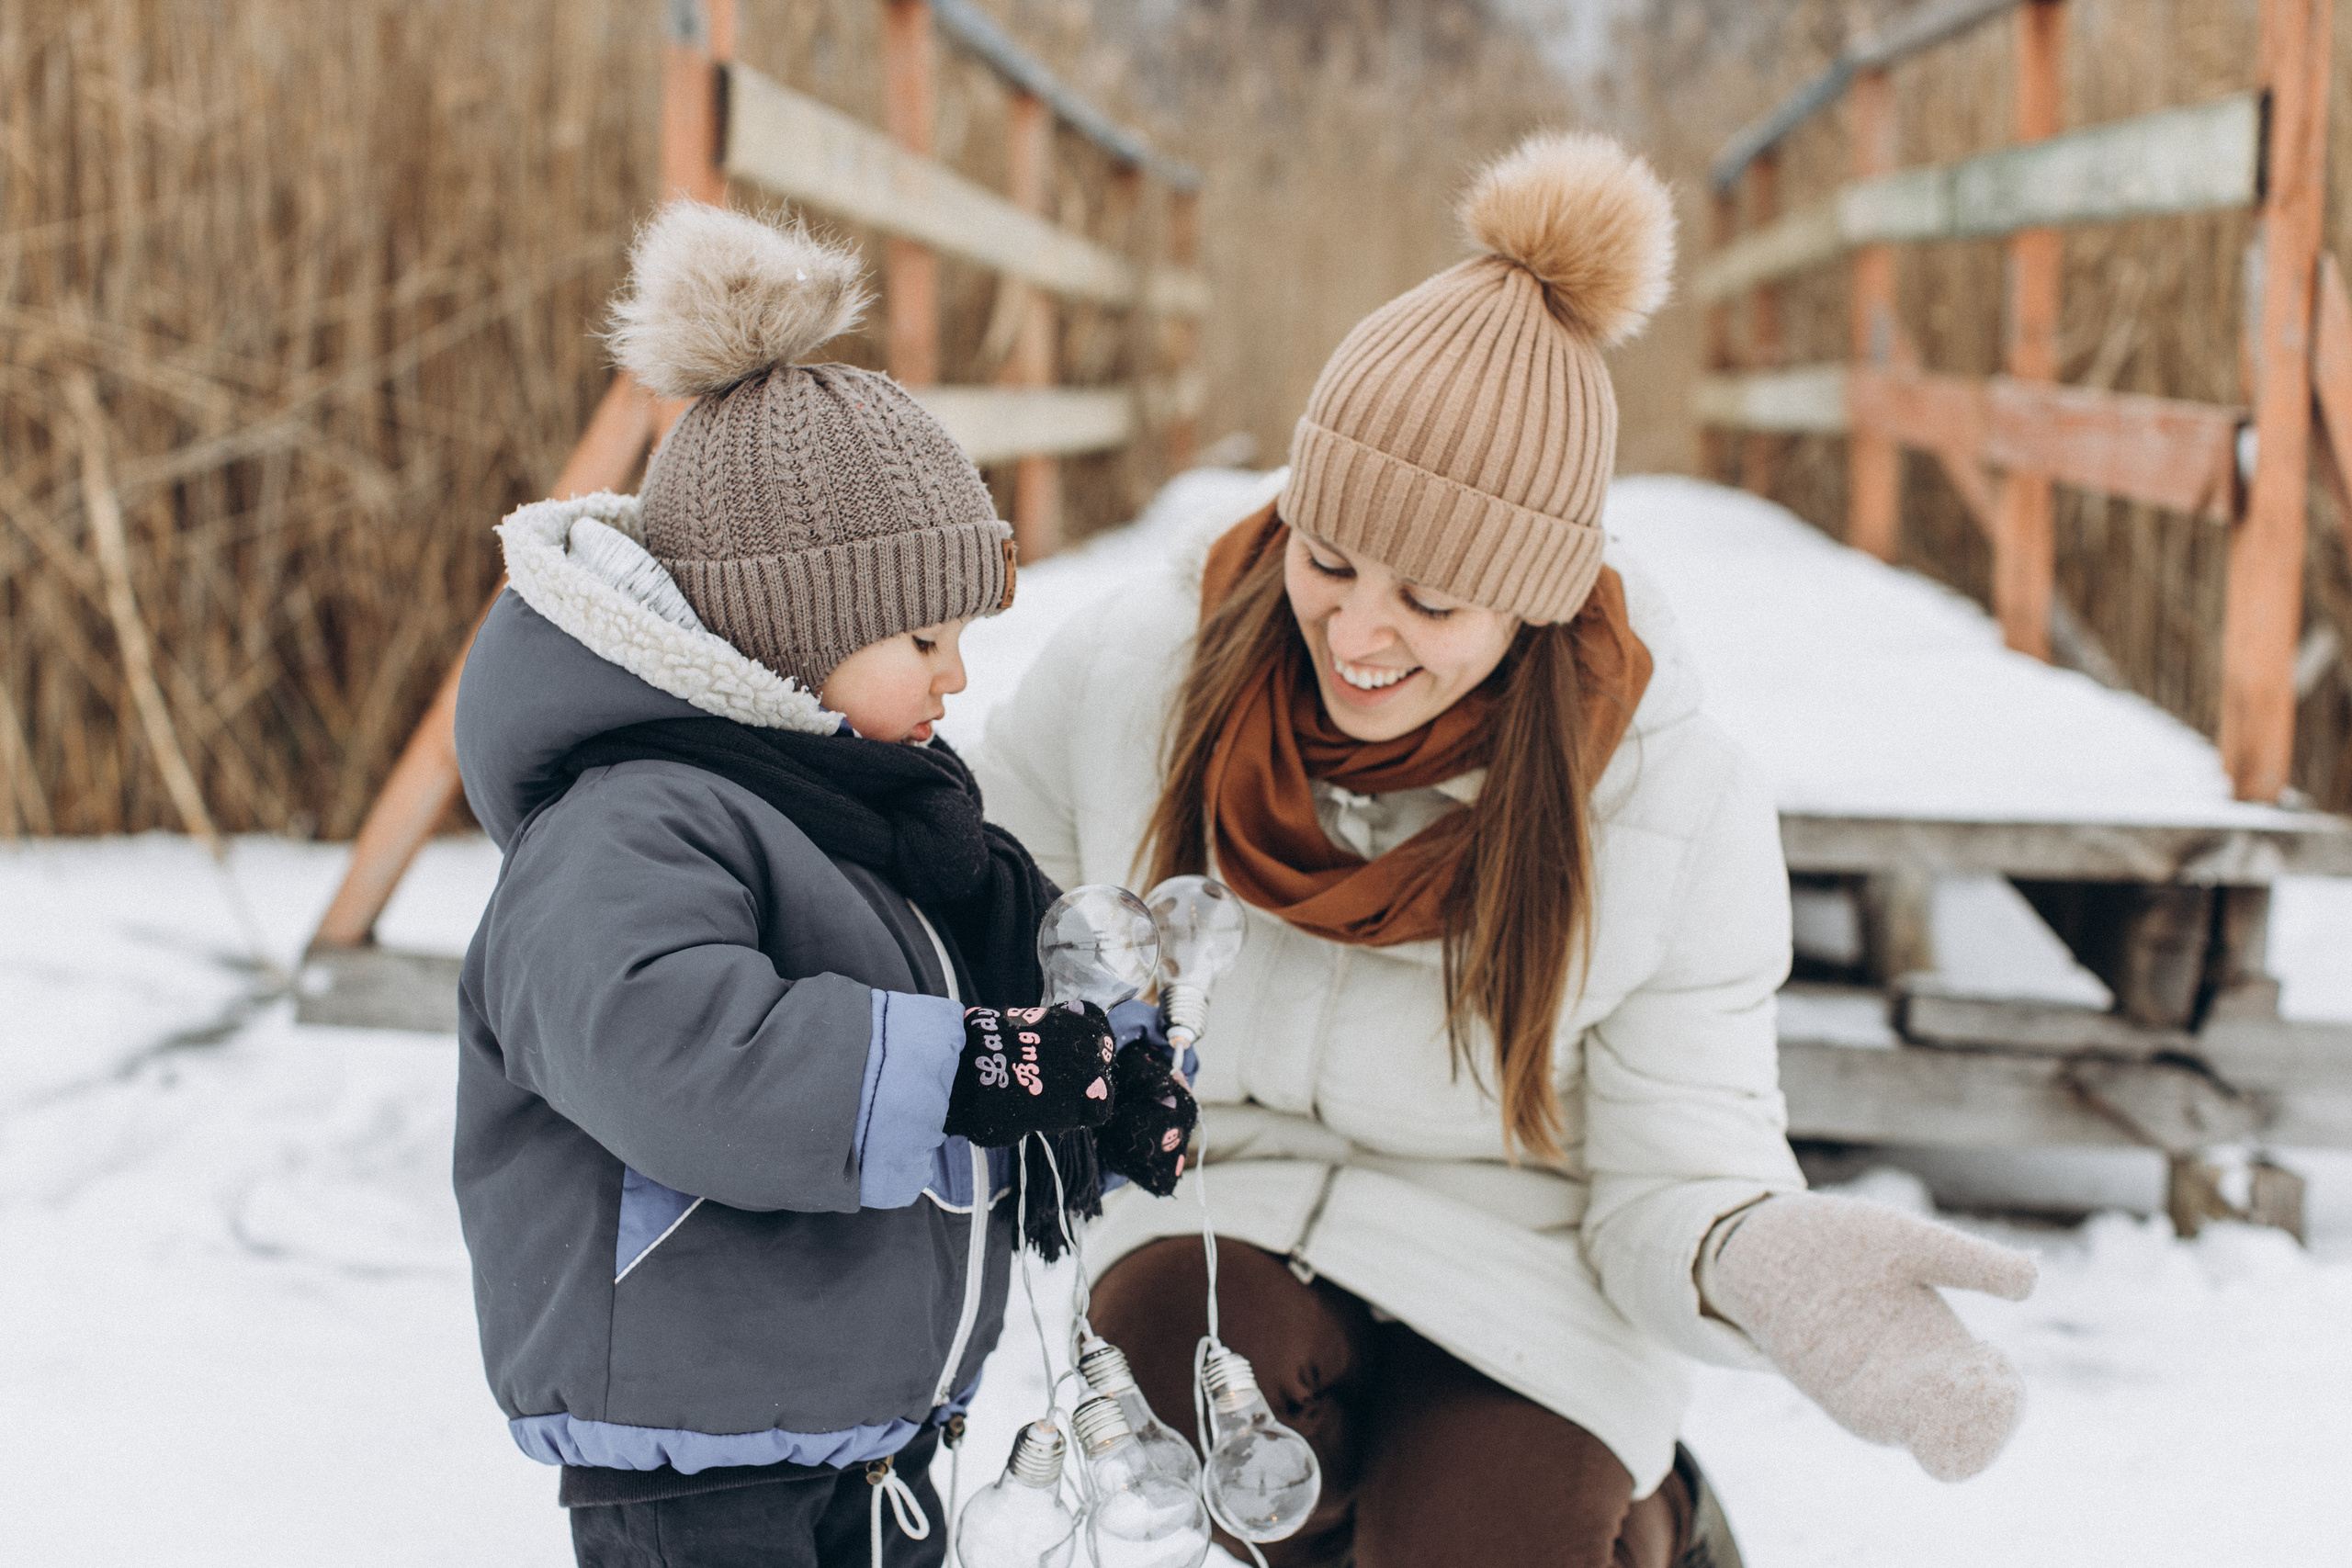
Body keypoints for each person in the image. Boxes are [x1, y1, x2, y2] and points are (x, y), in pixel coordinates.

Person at [976, 130, 2040, 1567]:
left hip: (1529, 1282)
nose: (1358, 633)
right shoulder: (1138, 678)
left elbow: (1684, 1167)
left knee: (1479, 1539)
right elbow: (967, 904)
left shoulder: (1669, 799)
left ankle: (1652, 1524)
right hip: (1222, 1225)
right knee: (1180, 1413)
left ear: (1531, 601)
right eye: (1330, 559)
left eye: (1431, 600)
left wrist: (1767, 1265)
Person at [448, 202, 1171, 1568]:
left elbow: (979, 1008)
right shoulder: (627, 824)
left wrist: (1098, 1086)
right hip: (697, 1460)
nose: (954, 674)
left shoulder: (867, 815)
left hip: (869, 1435)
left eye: (962, 635)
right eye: (919, 634)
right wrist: (972, 1071)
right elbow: (674, 1050)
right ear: (789, 628)